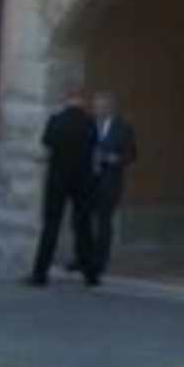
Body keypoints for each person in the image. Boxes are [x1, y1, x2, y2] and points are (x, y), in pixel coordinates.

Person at [27, 87, 98, 287]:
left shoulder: (56, 120)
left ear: (66, 98)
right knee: (83, 225)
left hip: (58, 178)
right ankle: (90, 274)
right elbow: (93, 144)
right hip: (82, 179)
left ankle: (40, 273)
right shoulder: (89, 122)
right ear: (82, 100)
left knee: (51, 225)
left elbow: (47, 141)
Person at [88, 90, 137, 278]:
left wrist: (115, 159)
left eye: (102, 106)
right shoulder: (89, 125)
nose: (98, 109)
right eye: (96, 106)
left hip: (109, 182)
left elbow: (131, 154)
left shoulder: (123, 128)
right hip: (89, 181)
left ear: (111, 107)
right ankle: (83, 256)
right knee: (84, 220)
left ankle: (100, 261)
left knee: (103, 222)